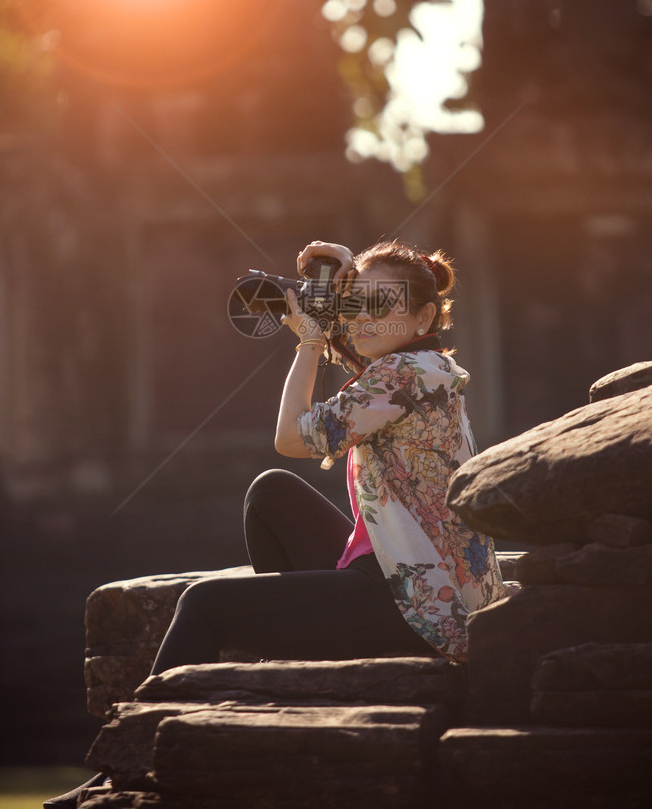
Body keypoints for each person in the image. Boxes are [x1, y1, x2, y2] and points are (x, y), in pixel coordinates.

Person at [45, 238, 504, 807]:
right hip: (397, 578)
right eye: (354, 303)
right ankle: (290, 658)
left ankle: (129, 755)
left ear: (424, 316)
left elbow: (292, 436)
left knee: (206, 604)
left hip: (417, 607)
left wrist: (310, 343)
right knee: (271, 495)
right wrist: (327, 294)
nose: (362, 317)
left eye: (379, 303)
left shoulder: (407, 377)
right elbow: (362, 355)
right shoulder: (417, 368)